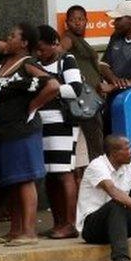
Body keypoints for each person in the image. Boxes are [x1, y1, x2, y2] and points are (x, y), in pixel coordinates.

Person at [0, 22, 60, 246]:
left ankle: (28, 231)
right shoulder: (2, 61)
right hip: (3, 132)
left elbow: (53, 86)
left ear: (25, 42)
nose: (8, 38)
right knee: (13, 182)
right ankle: (15, 230)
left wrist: (33, 105)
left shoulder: (28, 64)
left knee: (25, 180)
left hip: (22, 132)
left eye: (13, 35)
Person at [35, 25, 82, 239]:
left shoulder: (66, 60)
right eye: (36, 50)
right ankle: (57, 222)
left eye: (43, 49)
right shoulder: (34, 64)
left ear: (55, 43)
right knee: (51, 176)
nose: (39, 54)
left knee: (64, 172)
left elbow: (75, 89)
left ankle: (70, 223)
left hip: (62, 122)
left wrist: (49, 91)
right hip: (41, 122)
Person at [59, 5, 104, 178]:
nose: (77, 23)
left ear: (86, 21)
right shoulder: (69, 39)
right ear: (67, 23)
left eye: (80, 19)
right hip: (83, 101)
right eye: (72, 20)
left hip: (91, 99)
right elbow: (58, 54)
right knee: (93, 144)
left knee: (93, 143)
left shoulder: (81, 41)